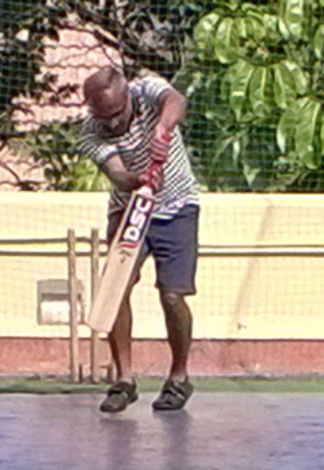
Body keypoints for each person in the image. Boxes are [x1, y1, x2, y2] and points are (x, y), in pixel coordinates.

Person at [78, 66, 199, 413]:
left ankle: (178, 377)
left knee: (173, 296)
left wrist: (163, 128)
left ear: (128, 95)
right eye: (104, 117)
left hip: (177, 207)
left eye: (117, 114)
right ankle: (124, 380)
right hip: (131, 207)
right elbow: (117, 174)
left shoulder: (147, 90)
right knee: (116, 288)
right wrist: (138, 179)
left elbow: (176, 100)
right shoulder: (90, 132)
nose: (112, 124)